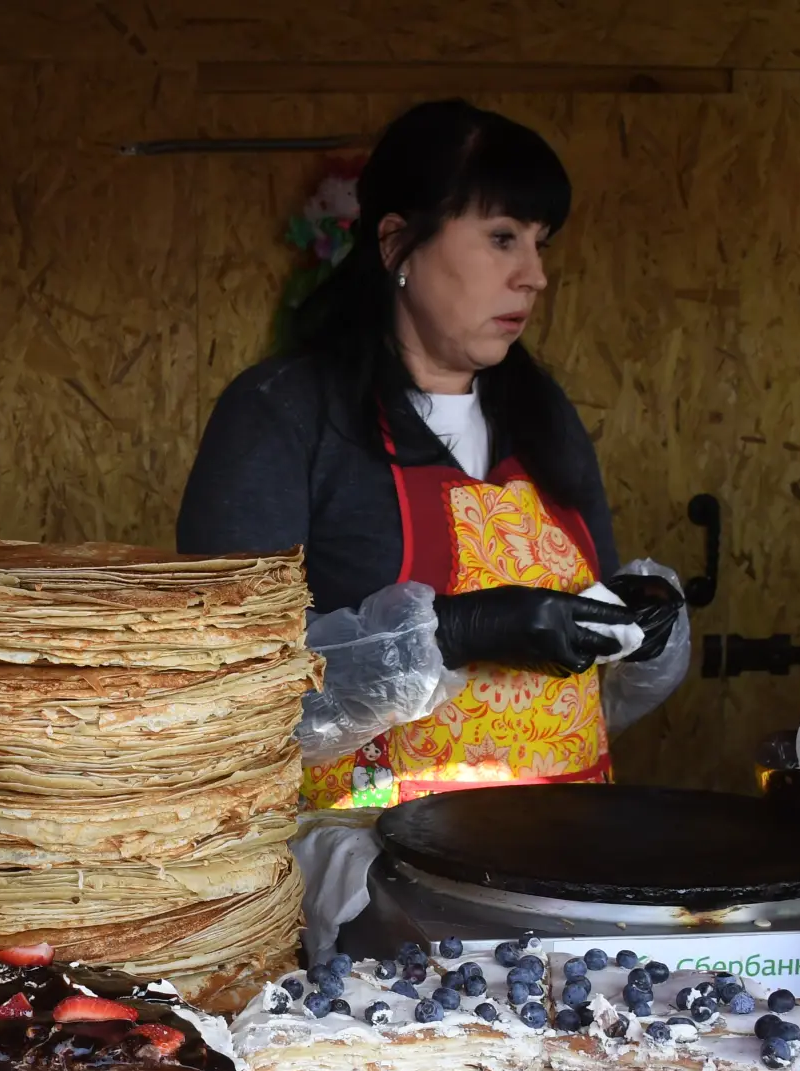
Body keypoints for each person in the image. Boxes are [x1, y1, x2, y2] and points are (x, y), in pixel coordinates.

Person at [178, 99, 687, 810]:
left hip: (563, 838)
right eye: (502, 237)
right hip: (365, 856)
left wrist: (641, 621)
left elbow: (601, 660)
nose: (534, 275)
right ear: (396, 245)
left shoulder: (544, 416)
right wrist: (455, 632)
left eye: (540, 243)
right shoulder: (284, 414)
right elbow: (222, 687)